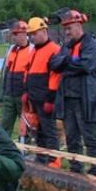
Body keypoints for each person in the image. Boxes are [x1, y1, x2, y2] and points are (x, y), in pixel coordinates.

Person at [49, 8, 96, 178]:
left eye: (69, 28)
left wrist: (67, 64)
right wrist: (70, 60)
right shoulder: (66, 46)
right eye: (65, 29)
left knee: (90, 136)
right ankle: (75, 167)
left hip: (86, 98)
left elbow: (86, 65)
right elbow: (54, 64)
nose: (66, 32)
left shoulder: (91, 44)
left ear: (78, 25)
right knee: (72, 136)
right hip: (68, 98)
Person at [23, 17, 62, 168]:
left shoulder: (54, 49)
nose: (32, 37)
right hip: (34, 96)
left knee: (49, 128)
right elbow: (28, 71)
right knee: (37, 129)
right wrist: (26, 90)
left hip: (46, 96)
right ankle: (41, 156)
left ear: (44, 31)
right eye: (30, 34)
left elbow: (55, 76)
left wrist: (50, 99)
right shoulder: (34, 51)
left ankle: (54, 158)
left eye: (34, 34)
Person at [0, 20, 32, 137]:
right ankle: (3, 149)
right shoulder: (11, 50)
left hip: (24, 96)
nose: (13, 37)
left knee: (26, 126)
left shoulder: (32, 50)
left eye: (16, 34)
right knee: (4, 126)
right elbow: (4, 73)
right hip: (9, 95)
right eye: (13, 34)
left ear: (24, 33)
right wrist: (0, 93)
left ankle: (25, 150)